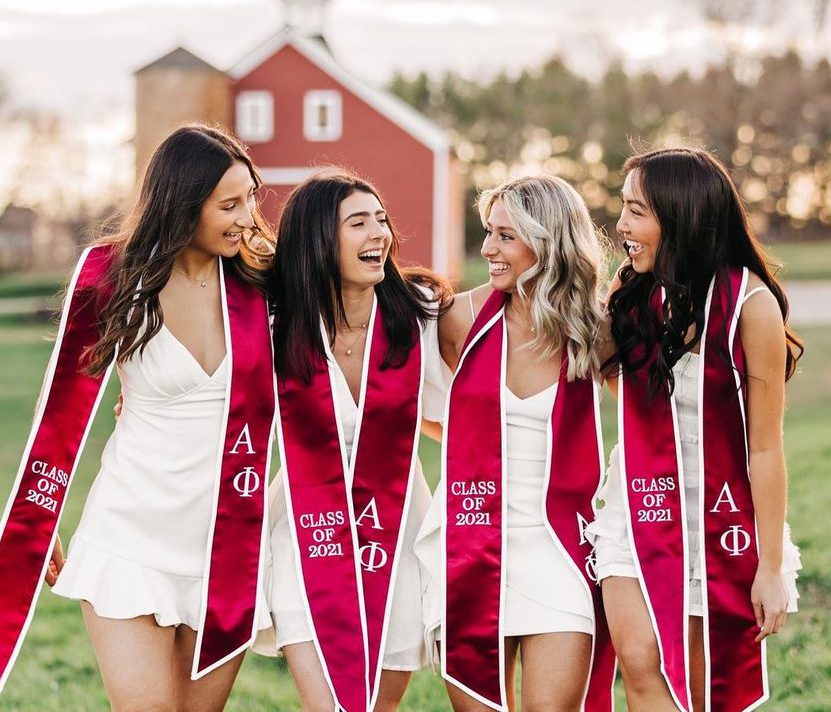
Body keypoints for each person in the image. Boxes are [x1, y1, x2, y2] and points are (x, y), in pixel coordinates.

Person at [0, 124, 277, 710]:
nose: (248, 217)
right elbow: (61, 409)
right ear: (182, 205)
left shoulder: (266, 285)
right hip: (129, 535)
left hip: (226, 546)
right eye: (229, 204)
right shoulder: (113, 276)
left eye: (250, 198)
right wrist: (39, 518)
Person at [587, 147, 803, 711]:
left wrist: (772, 567)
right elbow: (624, 394)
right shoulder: (635, 294)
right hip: (639, 506)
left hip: (719, 516)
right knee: (637, 658)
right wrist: (611, 307)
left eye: (637, 211)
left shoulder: (750, 305)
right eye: (624, 209)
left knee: (706, 685)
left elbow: (766, 444)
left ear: (679, 215)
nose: (623, 226)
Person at [415, 175, 616, 712]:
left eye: (505, 236)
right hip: (472, 542)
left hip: (558, 548)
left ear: (547, 240)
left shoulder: (593, 327)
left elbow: (652, 419)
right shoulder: (458, 318)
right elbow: (422, 413)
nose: (486, 249)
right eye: (487, 232)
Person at [253, 170, 450, 712]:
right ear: (318, 239)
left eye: (381, 221)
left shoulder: (421, 318)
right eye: (358, 223)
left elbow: (452, 412)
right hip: (306, 533)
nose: (379, 235)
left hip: (398, 534)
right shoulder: (277, 324)